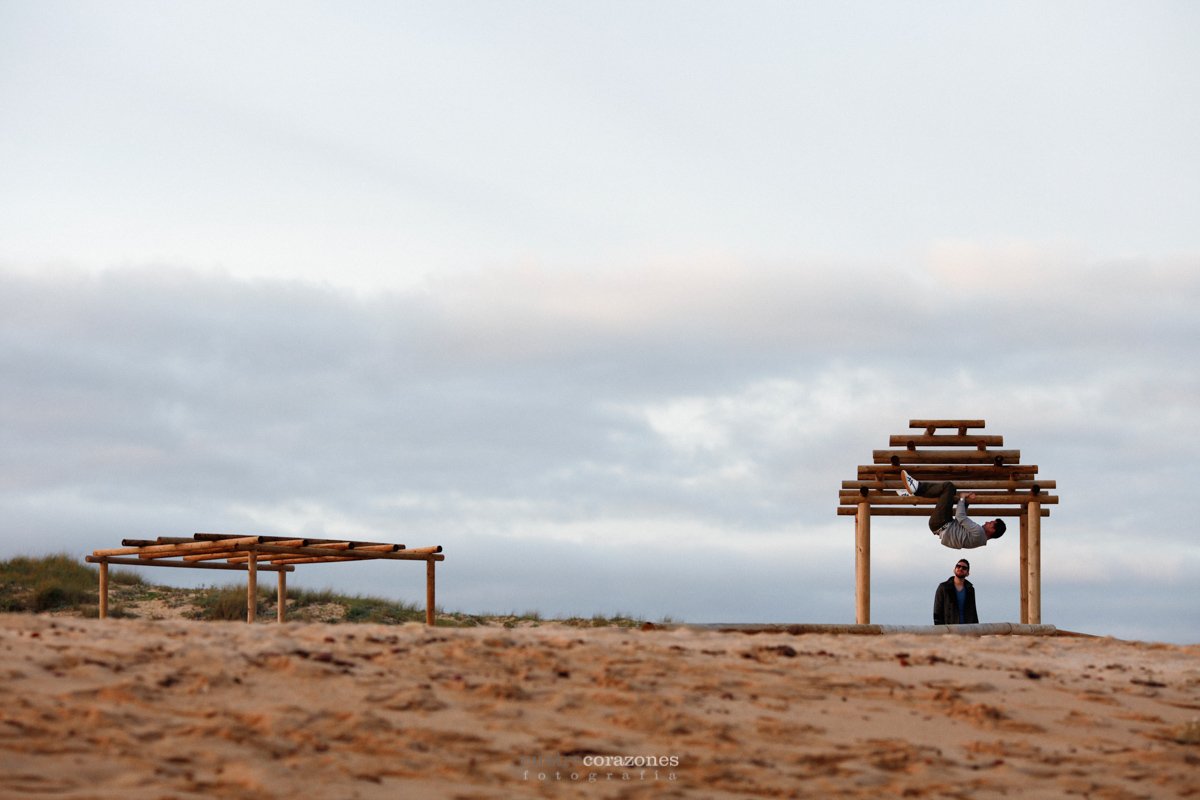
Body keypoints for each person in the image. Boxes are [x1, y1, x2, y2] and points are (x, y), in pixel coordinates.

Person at [900, 470, 1006, 549]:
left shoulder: (979, 532)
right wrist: (965, 502)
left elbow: (960, 517)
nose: (987, 522)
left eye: (990, 523)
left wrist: (962, 497)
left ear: (992, 530)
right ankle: (914, 493)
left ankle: (917, 488)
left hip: (941, 523)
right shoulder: (980, 540)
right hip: (944, 524)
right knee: (949, 493)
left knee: (949, 487)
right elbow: (961, 523)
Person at [934, 559, 979, 625]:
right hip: (949, 629)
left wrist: (976, 629)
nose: (960, 568)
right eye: (958, 566)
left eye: (964, 568)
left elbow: (973, 611)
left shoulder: (970, 589)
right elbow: (937, 610)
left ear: (967, 573)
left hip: (967, 630)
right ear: (954, 569)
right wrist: (940, 629)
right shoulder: (943, 587)